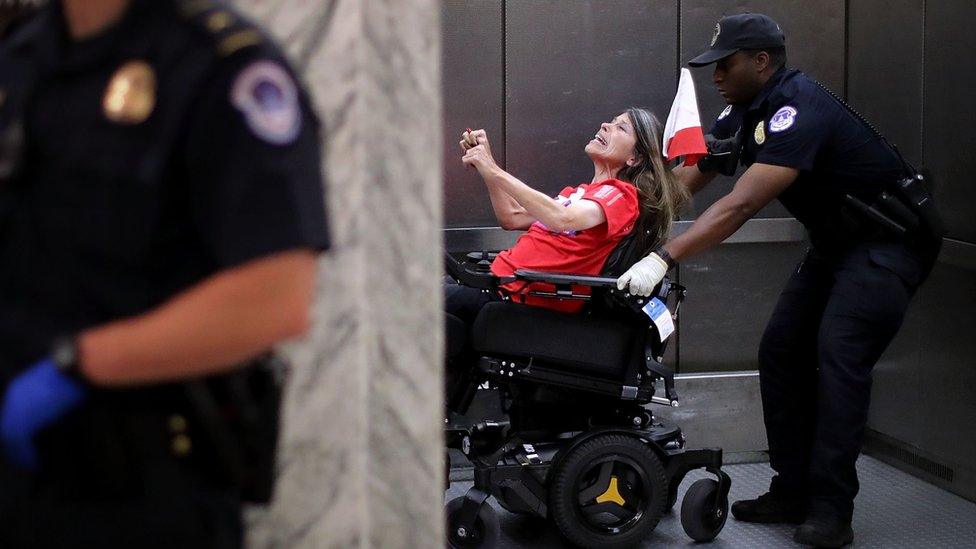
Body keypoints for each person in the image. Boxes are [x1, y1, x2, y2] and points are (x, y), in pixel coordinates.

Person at [0, 0, 330, 548]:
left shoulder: (222, 66)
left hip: (139, 487)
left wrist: (74, 367)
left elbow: (276, 299)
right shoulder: (22, 56)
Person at [616, 13, 943, 548]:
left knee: (839, 356)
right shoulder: (742, 111)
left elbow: (741, 204)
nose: (715, 74)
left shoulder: (798, 107)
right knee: (782, 351)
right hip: (837, 245)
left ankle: (831, 511)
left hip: (888, 245)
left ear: (762, 61)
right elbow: (690, 176)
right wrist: (619, 216)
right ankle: (791, 491)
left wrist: (663, 258)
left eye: (726, 64)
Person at [447, 107, 687, 324]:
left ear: (634, 158)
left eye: (620, 127)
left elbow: (562, 218)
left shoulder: (622, 196)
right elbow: (512, 216)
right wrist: (485, 160)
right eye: (611, 121)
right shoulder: (576, 194)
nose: (606, 125)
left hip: (513, 300)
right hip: (494, 283)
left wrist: (493, 169)